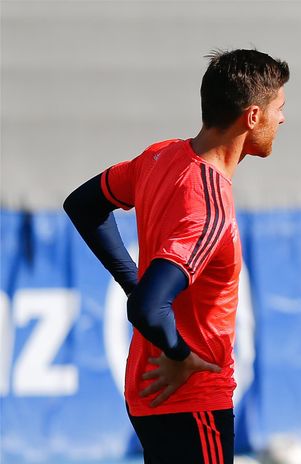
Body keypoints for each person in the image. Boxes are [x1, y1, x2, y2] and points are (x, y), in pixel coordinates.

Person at [64, 49, 289, 463]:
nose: (282, 119)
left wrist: (134, 283)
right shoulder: (211, 205)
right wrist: (180, 357)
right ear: (252, 116)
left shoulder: (161, 156)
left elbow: (83, 204)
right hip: (190, 397)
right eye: (279, 108)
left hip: (149, 390)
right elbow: (150, 308)